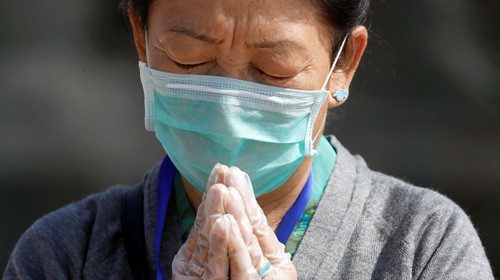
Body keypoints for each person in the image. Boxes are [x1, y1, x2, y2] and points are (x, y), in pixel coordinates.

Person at [3, 0, 494, 279]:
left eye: (272, 69)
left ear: (344, 64)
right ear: (140, 36)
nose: (229, 104)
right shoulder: (67, 253)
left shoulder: (423, 247)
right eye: (188, 58)